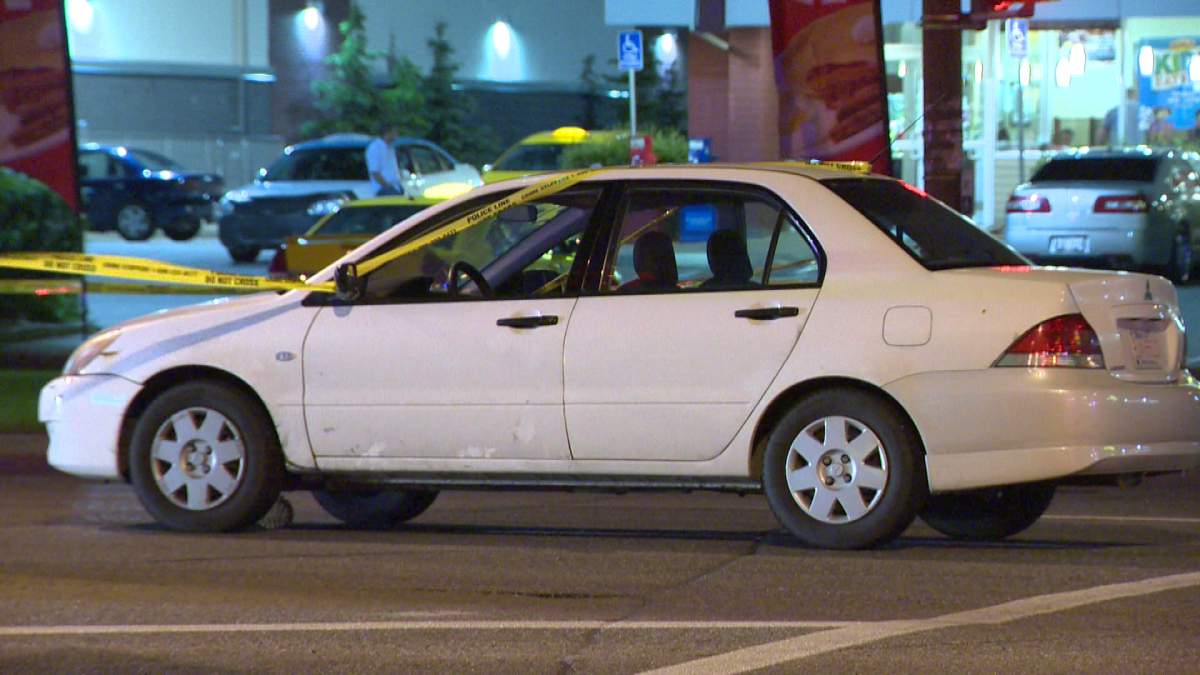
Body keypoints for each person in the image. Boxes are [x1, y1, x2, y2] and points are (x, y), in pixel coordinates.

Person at [366, 124, 404, 196]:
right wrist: (388, 187)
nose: (396, 134)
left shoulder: (390, 148)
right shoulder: (375, 148)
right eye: (394, 132)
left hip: (396, 187)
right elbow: (375, 172)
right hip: (384, 190)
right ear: (388, 133)